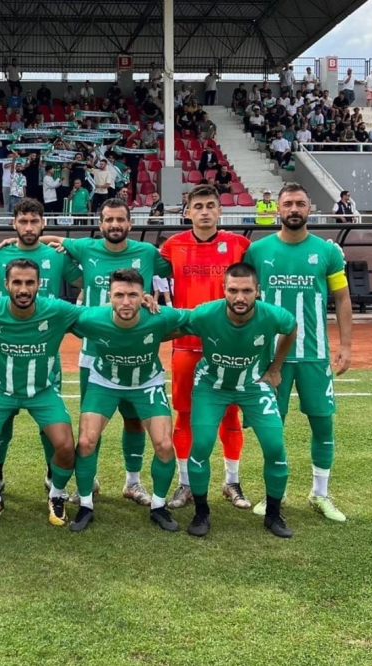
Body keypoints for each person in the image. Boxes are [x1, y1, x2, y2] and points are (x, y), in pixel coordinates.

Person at [38, 198, 173, 505]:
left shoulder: (147, 252)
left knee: (134, 420)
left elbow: (175, 264)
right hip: (93, 353)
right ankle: (90, 481)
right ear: (100, 224)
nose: (114, 224)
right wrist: (12, 242)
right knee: (91, 424)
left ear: (130, 223)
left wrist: (149, 297)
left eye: (120, 219)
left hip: (134, 349)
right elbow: (49, 239)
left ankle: (133, 483)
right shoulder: (86, 248)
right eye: (109, 219)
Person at [245, 183, 352, 522]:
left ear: (309, 209)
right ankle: (272, 494)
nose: (294, 209)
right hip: (269, 357)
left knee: (322, 424)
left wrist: (345, 345)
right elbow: (243, 298)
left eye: (300, 203)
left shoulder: (327, 252)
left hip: (314, 354)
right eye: (288, 203)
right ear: (277, 208)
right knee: (271, 428)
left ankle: (320, 493)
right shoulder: (257, 251)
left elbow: (342, 298)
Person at [0, 199, 82, 492]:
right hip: (5, 348)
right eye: (23, 221)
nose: (29, 227)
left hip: (45, 351)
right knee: (0, 423)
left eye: (34, 221)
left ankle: (51, 473)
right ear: (14, 223)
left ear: (43, 223)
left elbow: (87, 281)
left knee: (51, 425)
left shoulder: (56, 256)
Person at [0, 259, 83, 528]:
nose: (24, 289)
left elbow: (96, 314)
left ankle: (56, 494)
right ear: (6, 284)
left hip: (42, 390)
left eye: (30, 282)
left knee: (65, 446)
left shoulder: (56, 309)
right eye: (17, 282)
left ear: (39, 284)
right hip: (0, 390)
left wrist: (138, 304)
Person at [68, 268, 190, 532]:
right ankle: (86, 505)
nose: (126, 301)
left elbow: (195, 319)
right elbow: (57, 319)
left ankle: (158, 507)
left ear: (143, 295)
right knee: (86, 441)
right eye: (119, 295)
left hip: (147, 383)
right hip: (104, 382)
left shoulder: (158, 316)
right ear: (109, 296)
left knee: (164, 445)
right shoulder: (92, 317)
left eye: (133, 295)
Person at [183, 262, 297, 539]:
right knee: (201, 444)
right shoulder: (205, 313)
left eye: (247, 291)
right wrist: (147, 306)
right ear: (223, 290)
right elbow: (173, 322)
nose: (240, 297)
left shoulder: (273, 315)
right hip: (212, 385)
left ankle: (273, 514)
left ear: (258, 291)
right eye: (233, 290)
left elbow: (291, 327)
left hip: (253, 385)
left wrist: (275, 367)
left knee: (275, 446)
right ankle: (201, 512)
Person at [159, 185, 251, 509]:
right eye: (198, 206)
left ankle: (231, 481)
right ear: (188, 212)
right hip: (186, 345)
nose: (205, 212)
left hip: (228, 346)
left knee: (230, 414)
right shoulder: (173, 246)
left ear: (220, 210)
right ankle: (185, 483)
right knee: (184, 415)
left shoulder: (239, 245)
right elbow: (139, 265)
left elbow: (270, 262)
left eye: (211, 205)